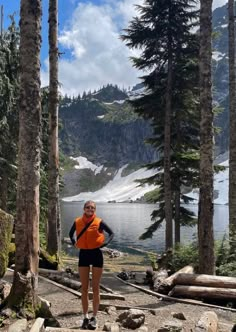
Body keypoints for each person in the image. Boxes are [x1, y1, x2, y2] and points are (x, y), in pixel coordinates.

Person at [69, 200, 114, 330]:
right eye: (88, 207)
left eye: (92, 208)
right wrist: (74, 242)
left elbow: (111, 233)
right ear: (84, 209)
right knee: (84, 288)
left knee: (95, 288)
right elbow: (70, 234)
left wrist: (105, 244)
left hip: (96, 255)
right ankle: (85, 317)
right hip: (83, 254)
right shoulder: (77, 221)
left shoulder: (99, 221)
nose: (90, 209)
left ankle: (94, 317)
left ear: (95, 210)